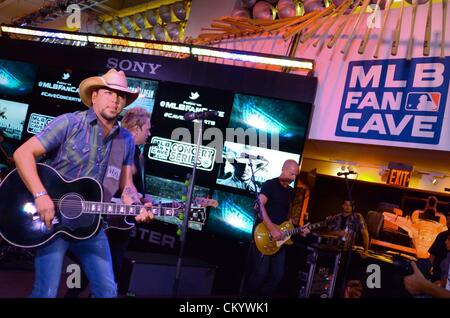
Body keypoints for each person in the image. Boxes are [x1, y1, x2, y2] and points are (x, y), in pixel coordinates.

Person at [12, 69, 153, 298]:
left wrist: (137, 203)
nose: (115, 100)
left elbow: (126, 186)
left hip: (92, 226)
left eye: (121, 96)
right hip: (54, 223)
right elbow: (22, 154)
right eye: (109, 93)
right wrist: (40, 195)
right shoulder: (69, 123)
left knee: (107, 291)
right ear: (94, 96)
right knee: (45, 292)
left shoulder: (125, 140)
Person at [64, 106, 152, 298]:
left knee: (108, 273)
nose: (149, 133)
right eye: (147, 129)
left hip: (122, 223)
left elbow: (131, 188)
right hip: (104, 220)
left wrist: (143, 199)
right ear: (136, 128)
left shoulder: (139, 154)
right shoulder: (117, 145)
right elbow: (108, 182)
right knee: (88, 271)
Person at [242, 159, 309, 297]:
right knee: (261, 273)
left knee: (277, 276)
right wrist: (272, 229)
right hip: (265, 234)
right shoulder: (270, 185)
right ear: (283, 169)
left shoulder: (291, 192)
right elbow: (258, 208)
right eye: (291, 174)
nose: (293, 178)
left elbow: (288, 220)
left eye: (295, 175)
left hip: (280, 238)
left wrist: (299, 229)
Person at [428, 213, 450, 283]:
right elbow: (432, 255)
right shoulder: (442, 235)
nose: (448, 222)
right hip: (437, 276)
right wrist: (428, 270)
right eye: (447, 219)